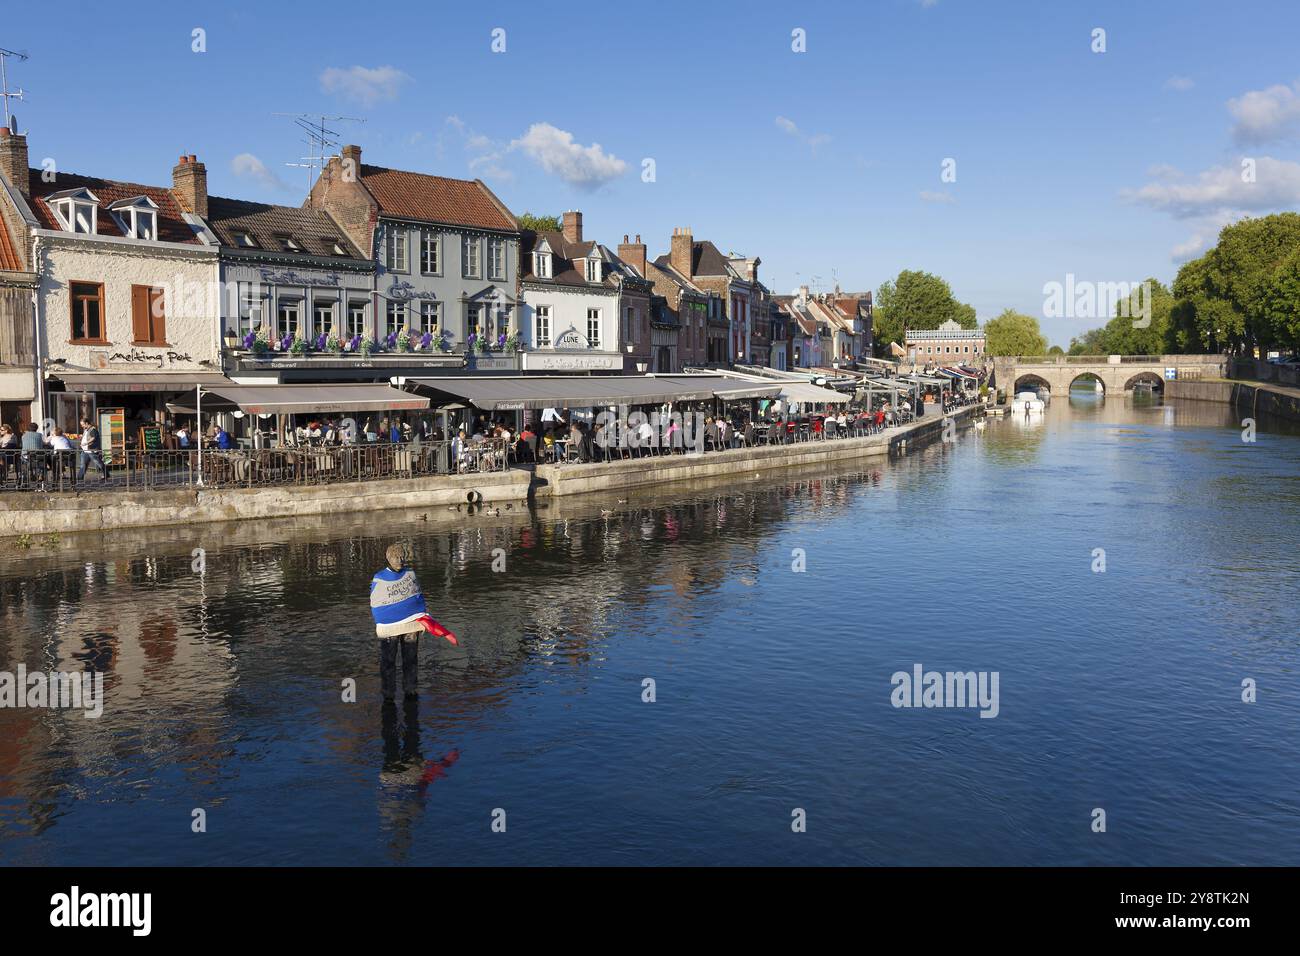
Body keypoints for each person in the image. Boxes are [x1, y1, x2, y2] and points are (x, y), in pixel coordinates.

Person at [370, 543, 457, 701]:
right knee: (388, 661)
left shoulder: (410, 574)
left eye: (403, 555)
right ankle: (388, 694)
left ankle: (410, 690)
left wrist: (422, 615)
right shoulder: (379, 578)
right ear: (388, 558)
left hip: (412, 624)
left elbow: (418, 595)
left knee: (410, 660)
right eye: (396, 556)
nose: (400, 559)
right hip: (390, 628)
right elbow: (377, 603)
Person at [76, 418, 109, 482]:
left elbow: (93, 438)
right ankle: (80, 478)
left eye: (82, 424)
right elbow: (87, 437)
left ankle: (106, 474)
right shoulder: (86, 430)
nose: (81, 426)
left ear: (86, 423)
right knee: (83, 465)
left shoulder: (93, 430)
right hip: (85, 450)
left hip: (92, 450)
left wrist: (86, 443)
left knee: (99, 463)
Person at [21, 422, 48, 491]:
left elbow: (22, 445)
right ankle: (40, 474)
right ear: (36, 428)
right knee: (41, 462)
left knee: (24, 462)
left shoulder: (24, 435)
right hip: (37, 456)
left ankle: (25, 479)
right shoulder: (39, 435)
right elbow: (41, 445)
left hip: (26, 456)